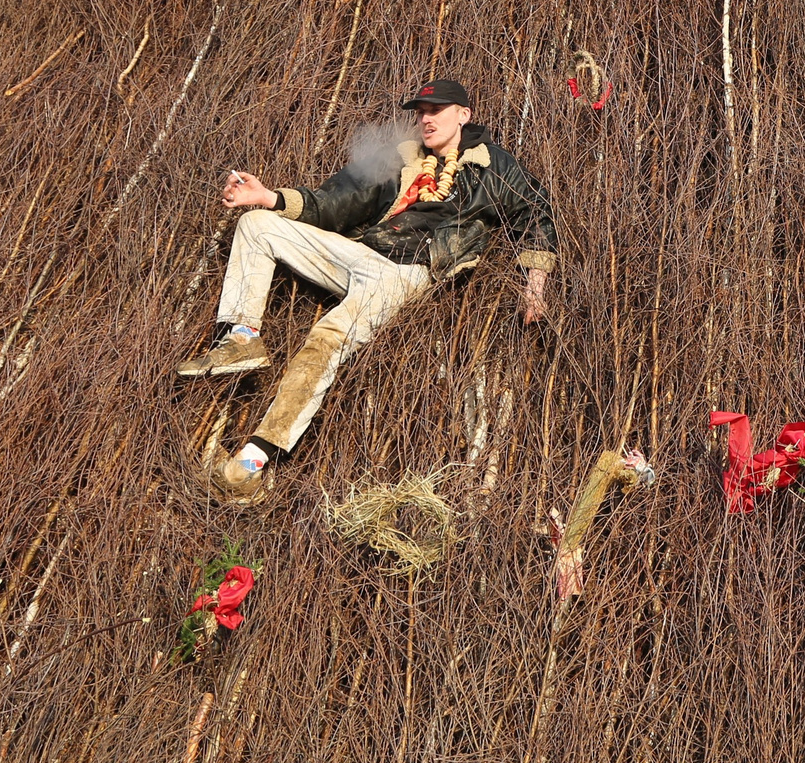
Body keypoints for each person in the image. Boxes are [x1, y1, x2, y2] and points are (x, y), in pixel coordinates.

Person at [179, 76, 557, 499]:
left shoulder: (495, 165)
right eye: (420, 112)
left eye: (435, 111)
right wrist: (267, 197)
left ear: (463, 115)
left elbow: (537, 214)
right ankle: (242, 337)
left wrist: (535, 284)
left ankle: (248, 465)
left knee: (325, 339)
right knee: (256, 225)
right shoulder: (398, 158)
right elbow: (334, 202)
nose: (426, 120)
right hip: (361, 251)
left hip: (408, 270)